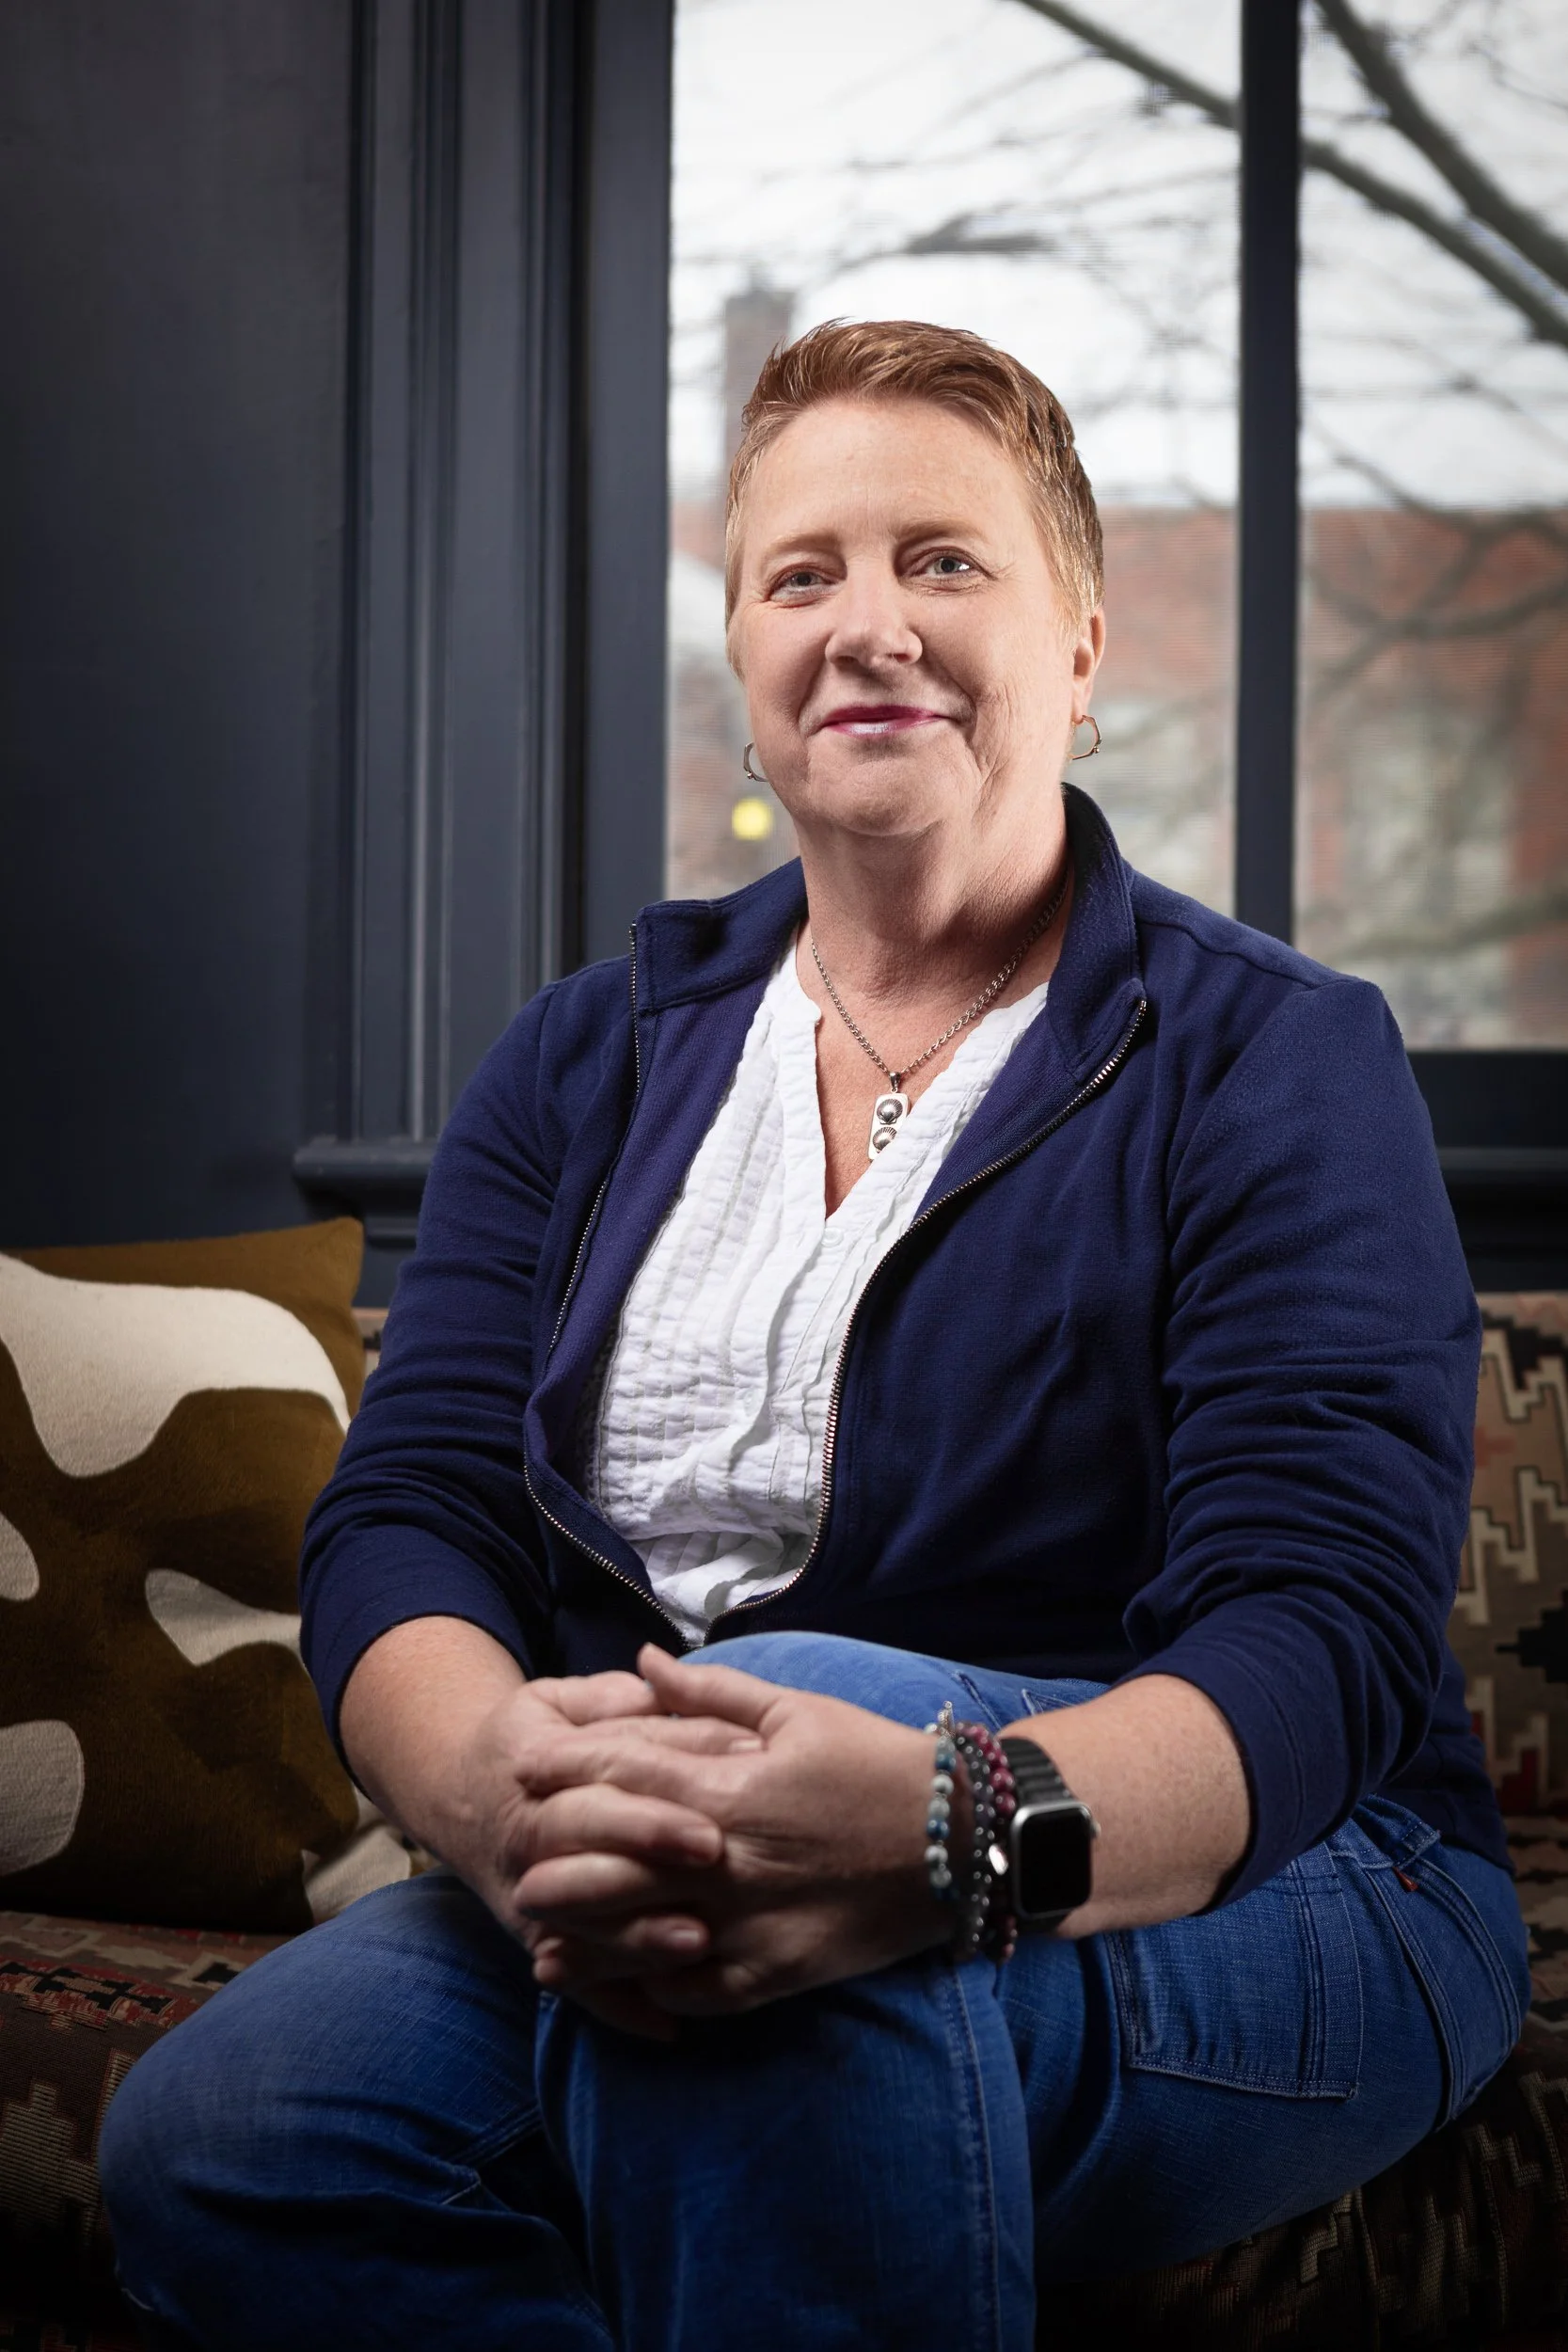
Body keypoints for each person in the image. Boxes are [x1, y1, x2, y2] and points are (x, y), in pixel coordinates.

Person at [100, 321, 1528, 2352]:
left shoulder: (1271, 1058)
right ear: (748, 671)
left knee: (785, 1892)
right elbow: (404, 1518)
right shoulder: (583, 1058)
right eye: (800, 574)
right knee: (229, 2132)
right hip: (664, 1842)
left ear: (1080, 647)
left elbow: (1316, 1647)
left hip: (1286, 1879)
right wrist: (501, 1791)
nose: (869, 625)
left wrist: (942, 1822)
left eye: (943, 561)